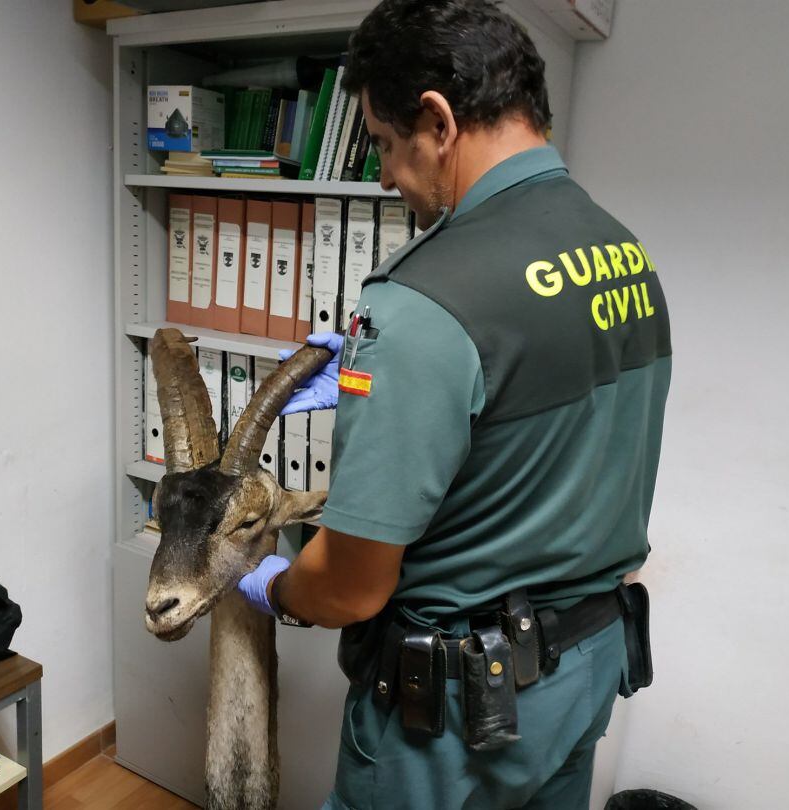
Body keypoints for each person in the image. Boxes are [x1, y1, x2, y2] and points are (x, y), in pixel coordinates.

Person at [238, 0, 672, 807]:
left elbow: (351, 588)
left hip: (457, 715)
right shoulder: (621, 250)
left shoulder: (423, 300)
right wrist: (406, 378)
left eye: (383, 142)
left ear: (436, 121)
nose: (382, 174)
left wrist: (273, 584)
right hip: (581, 667)